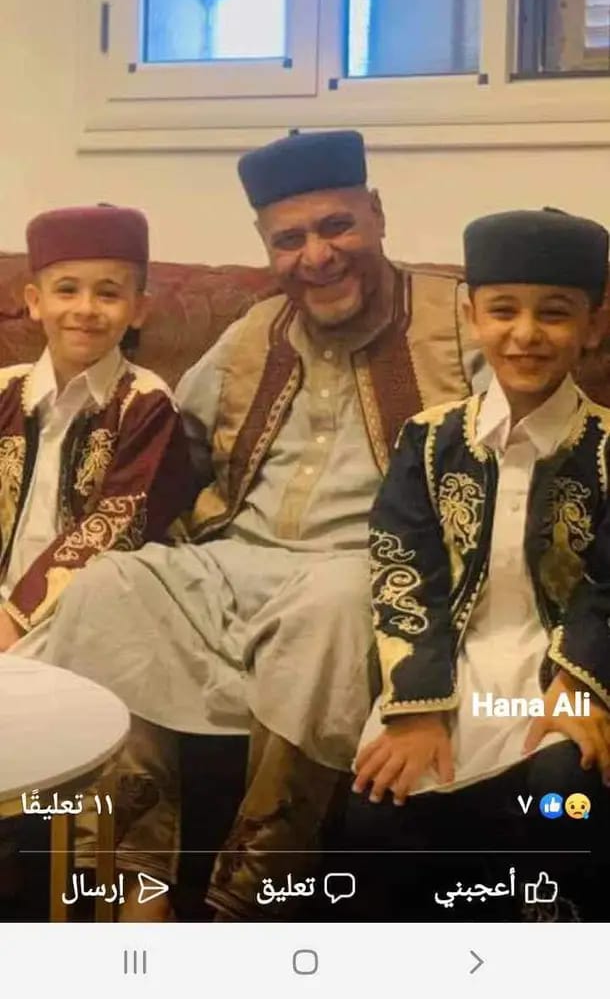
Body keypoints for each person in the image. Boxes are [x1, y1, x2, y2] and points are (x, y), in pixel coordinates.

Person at [40, 129, 478, 922]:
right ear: (267, 246)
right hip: (232, 563)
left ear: (377, 214)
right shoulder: (253, 332)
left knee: (337, 603)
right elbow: (173, 447)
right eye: (290, 239)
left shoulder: (460, 319)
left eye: (336, 226)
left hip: (361, 568)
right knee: (109, 586)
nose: (317, 255)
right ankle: (135, 886)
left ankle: (246, 896)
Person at [350, 208, 610, 921]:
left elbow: (607, 587)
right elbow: (403, 571)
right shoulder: (429, 440)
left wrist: (581, 684)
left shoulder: (605, 445)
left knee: (565, 790)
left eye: (553, 313)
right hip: (451, 673)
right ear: (472, 316)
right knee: (378, 804)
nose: (526, 333)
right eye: (503, 310)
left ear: (592, 324)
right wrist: (418, 709)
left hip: (564, 675)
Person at [0, 203, 194, 903]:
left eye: (108, 293)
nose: (85, 309)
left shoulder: (146, 403)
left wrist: (15, 616)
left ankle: (124, 898)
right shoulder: (4, 389)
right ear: (34, 300)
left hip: (85, 608)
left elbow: (120, 518)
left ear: (138, 308)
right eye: (67, 290)